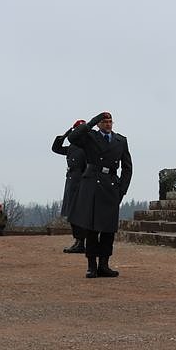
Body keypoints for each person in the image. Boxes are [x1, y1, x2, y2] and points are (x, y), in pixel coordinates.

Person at [68, 111, 133, 278]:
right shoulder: (90, 137)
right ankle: (92, 266)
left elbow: (127, 167)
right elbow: (73, 138)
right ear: (98, 124)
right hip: (92, 184)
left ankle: (104, 264)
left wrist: (122, 189)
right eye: (104, 122)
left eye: (110, 121)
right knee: (91, 228)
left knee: (108, 229)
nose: (108, 124)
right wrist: (92, 121)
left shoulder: (120, 141)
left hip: (111, 186)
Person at [52, 119, 88, 253]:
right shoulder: (72, 147)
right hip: (72, 182)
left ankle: (82, 241)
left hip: (83, 182)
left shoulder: (89, 146)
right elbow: (56, 148)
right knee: (72, 214)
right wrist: (64, 136)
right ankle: (78, 241)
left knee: (82, 215)